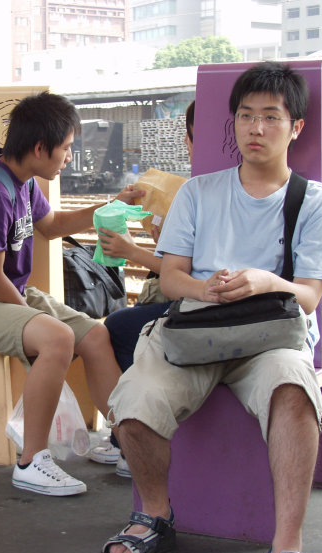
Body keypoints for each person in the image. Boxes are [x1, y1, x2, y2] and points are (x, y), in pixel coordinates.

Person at [98, 62, 322, 553]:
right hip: (196, 330)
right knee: (136, 396)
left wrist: (263, 280)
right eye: (245, 116)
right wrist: (203, 290)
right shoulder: (198, 193)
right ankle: (156, 514)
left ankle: (288, 545)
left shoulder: (315, 202)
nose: (256, 128)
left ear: (296, 127)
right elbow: (169, 277)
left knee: (293, 390)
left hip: (271, 340)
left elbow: (308, 295)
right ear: (232, 123)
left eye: (270, 117)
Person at [0, 91, 141, 497]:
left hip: (5, 293)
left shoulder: (21, 180)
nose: (67, 157)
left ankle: (126, 441)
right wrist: (35, 319)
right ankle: (31, 460)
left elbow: (51, 225)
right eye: (65, 148)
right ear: (40, 147)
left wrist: (110, 204)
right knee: (58, 337)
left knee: (96, 336)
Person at [87, 101, 195, 477]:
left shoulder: (203, 189)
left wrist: (134, 251)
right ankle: (124, 439)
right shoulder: (205, 186)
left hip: (200, 308)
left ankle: (128, 442)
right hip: (199, 302)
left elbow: (185, 274)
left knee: (119, 329)